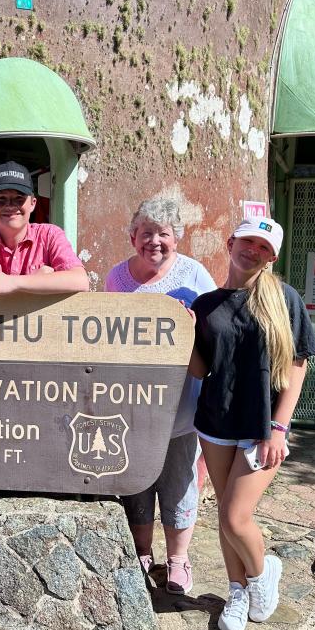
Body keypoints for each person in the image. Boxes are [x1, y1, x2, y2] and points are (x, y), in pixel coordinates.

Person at [188, 216, 315, 630]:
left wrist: (279, 428)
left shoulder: (284, 298)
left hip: (263, 426)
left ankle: (263, 575)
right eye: (247, 241)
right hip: (215, 422)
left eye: (263, 247)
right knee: (226, 519)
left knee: (234, 515)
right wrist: (183, 330)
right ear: (230, 243)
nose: (253, 250)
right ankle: (236, 590)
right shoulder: (207, 304)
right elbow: (199, 369)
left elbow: (298, 367)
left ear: (272, 256)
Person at [104, 196, 216, 595]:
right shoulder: (117, 278)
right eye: (146, 233)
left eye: (163, 234)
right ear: (133, 237)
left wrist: (194, 325)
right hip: (130, 403)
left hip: (181, 402)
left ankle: (179, 560)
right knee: (135, 479)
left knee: (179, 479)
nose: (154, 241)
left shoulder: (195, 274)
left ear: (176, 238)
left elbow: (215, 330)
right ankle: (141, 554)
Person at [0, 161, 89, 296]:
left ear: (32, 204)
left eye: (19, 198)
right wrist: (37, 281)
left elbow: (80, 280)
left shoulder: (50, 235)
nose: (10, 206)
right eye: (1, 199)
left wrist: (13, 282)